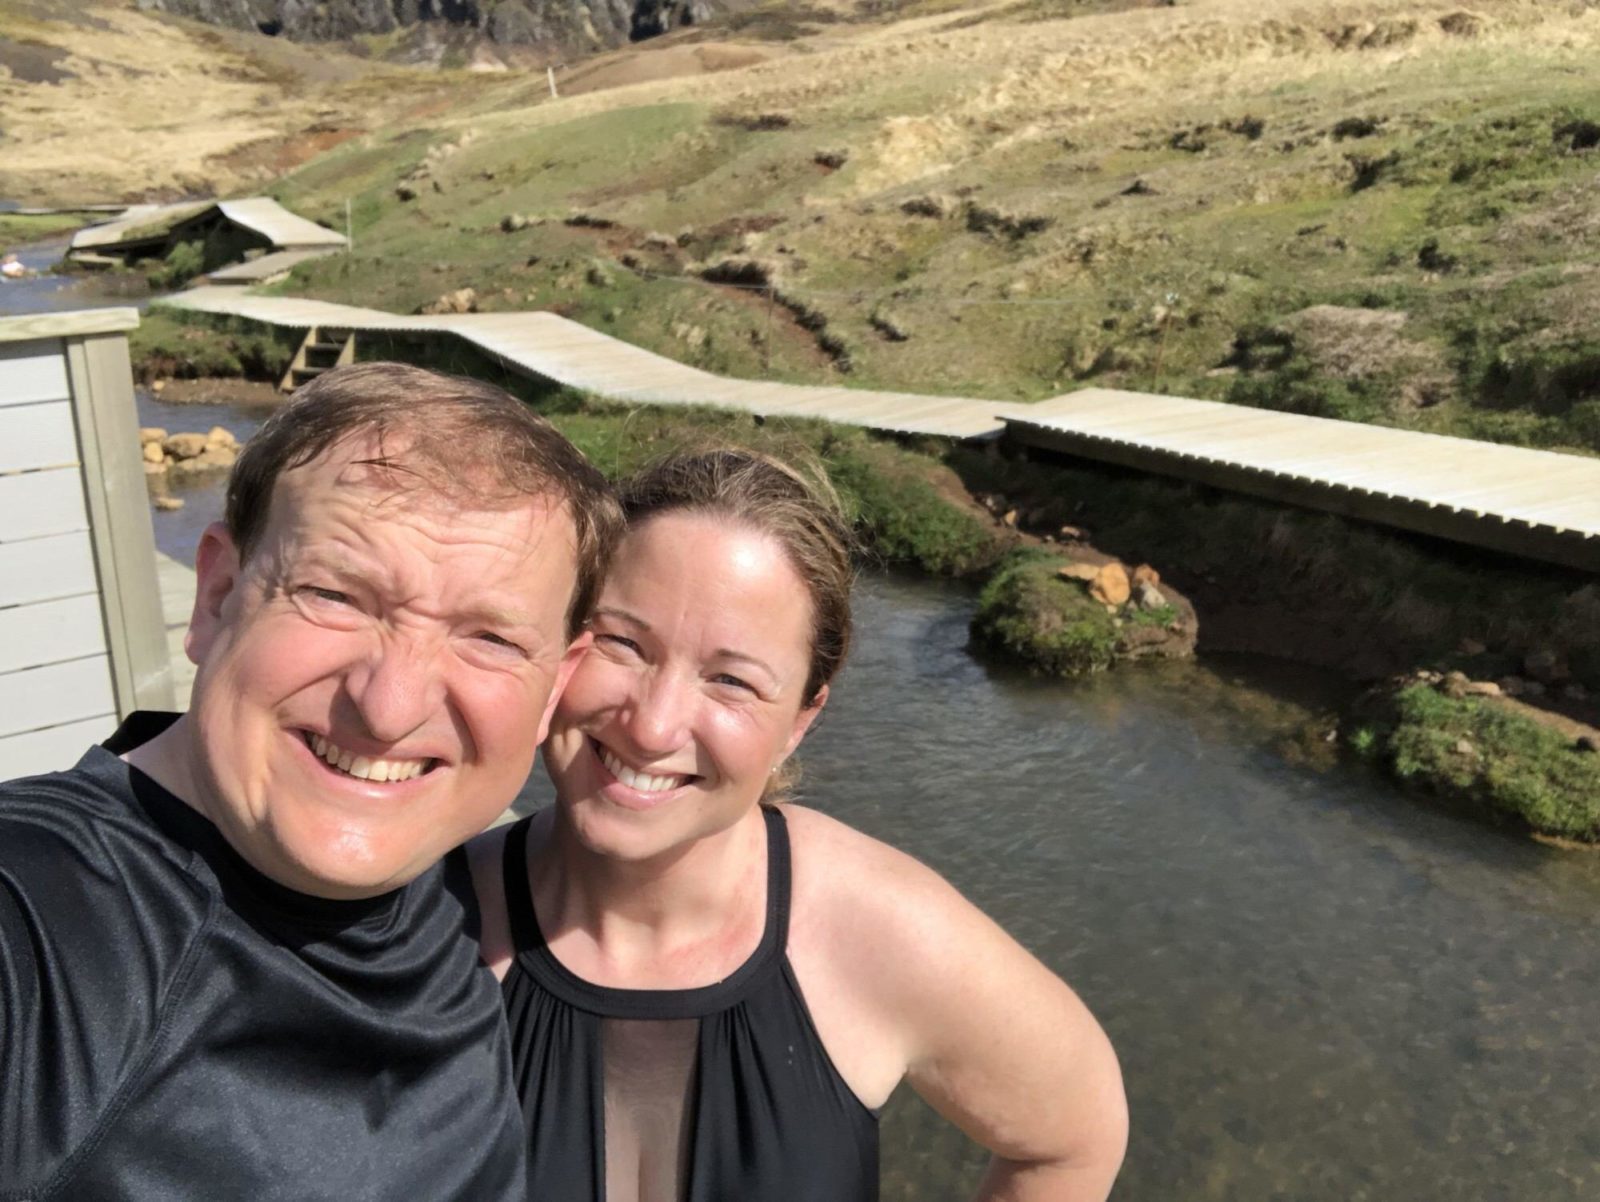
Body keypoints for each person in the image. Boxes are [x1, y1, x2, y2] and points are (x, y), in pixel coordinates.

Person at [0, 362, 622, 1199]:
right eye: (335, 595)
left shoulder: (446, 888)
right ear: (217, 595)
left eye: (491, 638)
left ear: (557, 684)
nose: (390, 707)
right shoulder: (42, 919)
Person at [469, 448, 1128, 1202]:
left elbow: (1073, 1138)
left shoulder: (878, 931)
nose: (652, 727)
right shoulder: (424, 927)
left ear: (801, 719)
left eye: (731, 680)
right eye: (623, 643)